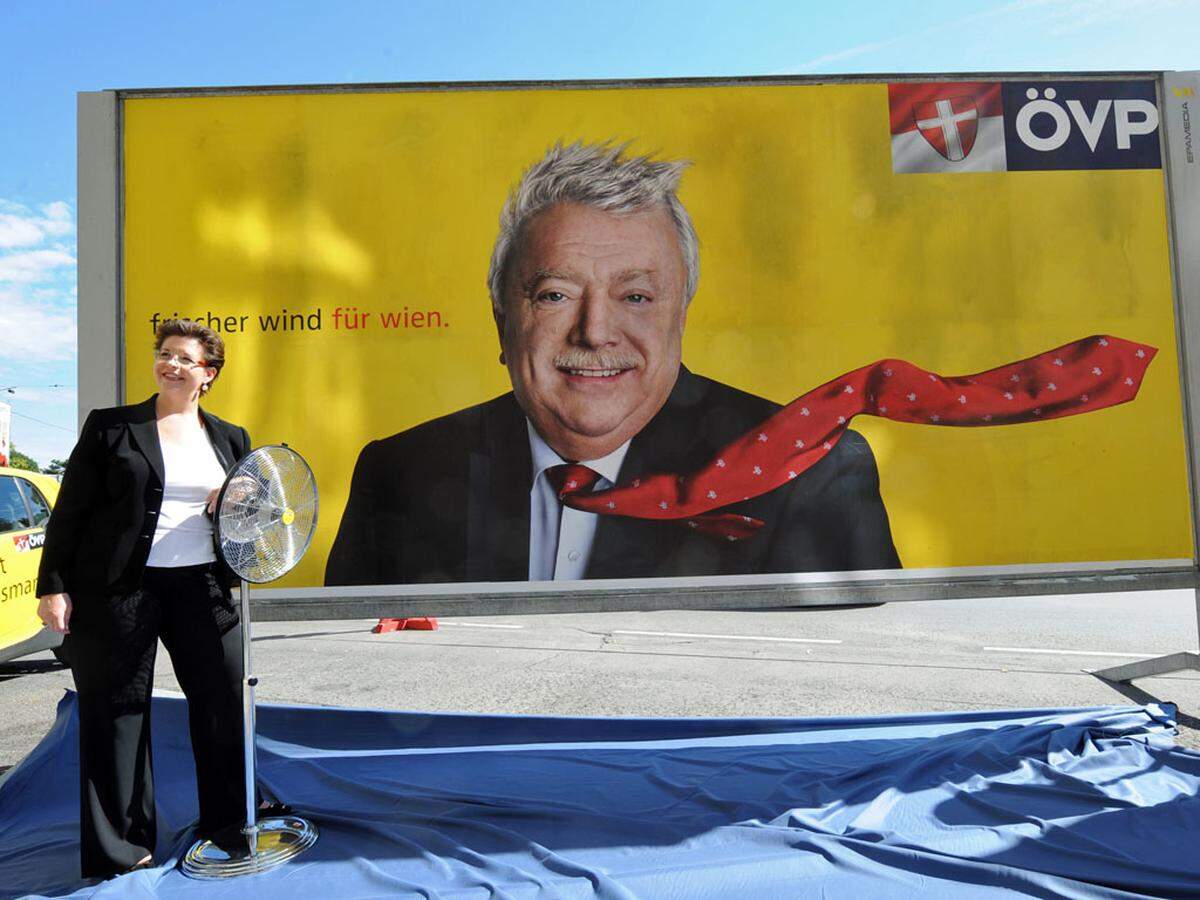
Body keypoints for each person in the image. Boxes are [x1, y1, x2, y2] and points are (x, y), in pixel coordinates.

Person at [325, 141, 900, 586]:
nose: (595, 331)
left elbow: (852, 712)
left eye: (636, 297)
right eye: (555, 294)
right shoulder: (399, 477)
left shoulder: (808, 474)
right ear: (503, 323)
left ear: (680, 316)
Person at [35, 319, 281, 879]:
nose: (170, 364)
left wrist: (237, 497)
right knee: (117, 715)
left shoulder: (231, 438)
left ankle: (229, 823)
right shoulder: (110, 428)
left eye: (184, 359)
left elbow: (257, 519)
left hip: (206, 589)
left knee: (223, 705)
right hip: (120, 592)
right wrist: (53, 585)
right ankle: (121, 846)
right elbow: (69, 512)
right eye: (164, 354)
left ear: (208, 374)